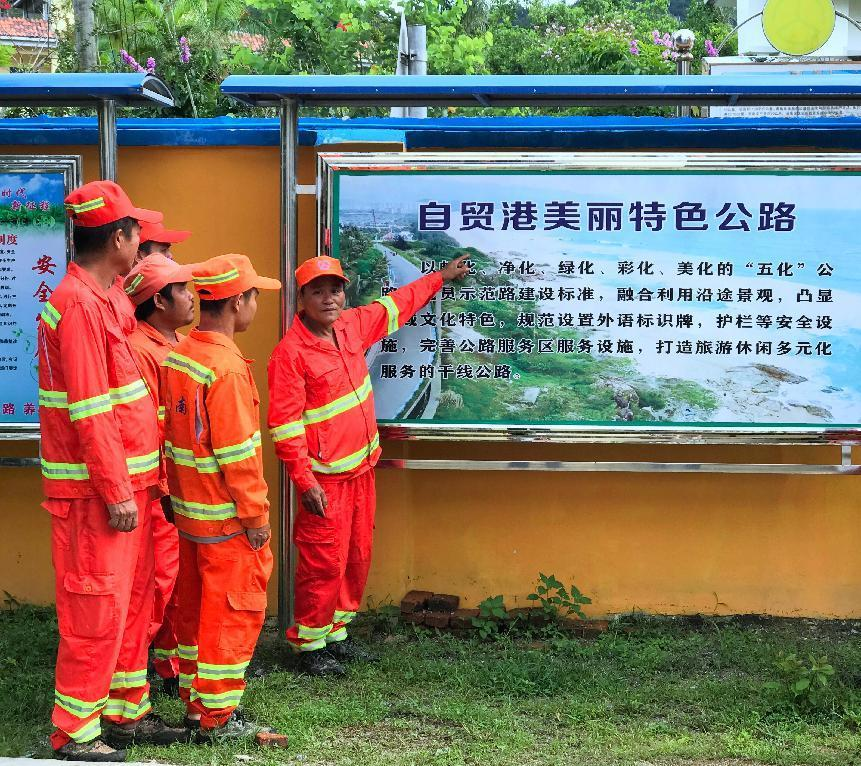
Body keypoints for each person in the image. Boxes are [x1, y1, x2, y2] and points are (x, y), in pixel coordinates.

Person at [39, 181, 187, 762]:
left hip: (134, 487)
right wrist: (116, 489)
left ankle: (126, 712)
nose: (146, 250)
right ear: (119, 238)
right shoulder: (77, 305)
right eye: (139, 239)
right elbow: (90, 408)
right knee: (95, 608)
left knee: (134, 605)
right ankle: (74, 732)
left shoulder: (105, 297)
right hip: (99, 495)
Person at [267, 253, 469, 676]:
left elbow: (397, 304)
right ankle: (309, 646)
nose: (329, 298)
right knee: (322, 564)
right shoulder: (290, 354)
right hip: (325, 482)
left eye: (335, 289)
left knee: (355, 558)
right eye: (318, 292)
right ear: (301, 298)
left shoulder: (351, 326)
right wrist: (305, 483)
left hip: (361, 472)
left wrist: (442, 277)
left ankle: (336, 635)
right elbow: (284, 428)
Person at [162, 253, 280, 738]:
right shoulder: (227, 371)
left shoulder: (180, 353)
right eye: (255, 296)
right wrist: (256, 518)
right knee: (232, 616)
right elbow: (239, 457)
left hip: (190, 517)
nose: (256, 305)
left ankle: (196, 704)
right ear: (237, 302)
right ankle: (213, 718)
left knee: (196, 616)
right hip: (228, 520)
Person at [123, 253, 197, 697]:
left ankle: (167, 663)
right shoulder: (143, 351)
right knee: (155, 584)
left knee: (173, 582)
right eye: (183, 291)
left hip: (174, 486)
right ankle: (136, 672)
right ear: (158, 301)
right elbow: (153, 426)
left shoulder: (170, 345)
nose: (192, 299)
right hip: (157, 490)